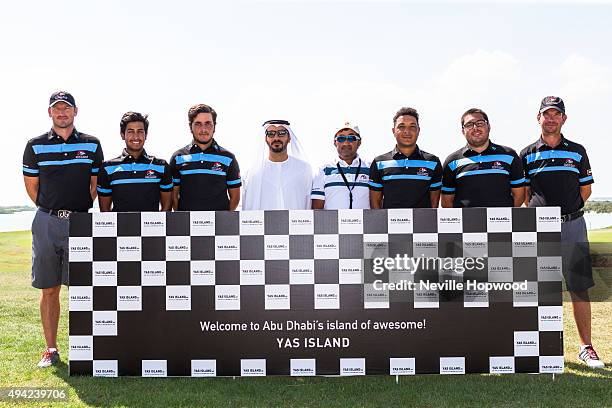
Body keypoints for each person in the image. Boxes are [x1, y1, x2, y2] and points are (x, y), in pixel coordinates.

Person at [520, 96, 604, 368]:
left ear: (564, 119)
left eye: (557, 114)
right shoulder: (527, 154)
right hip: (540, 228)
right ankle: (543, 348)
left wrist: (566, 214)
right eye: (547, 114)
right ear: (539, 117)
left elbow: (585, 190)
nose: (551, 119)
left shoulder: (577, 151)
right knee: (543, 289)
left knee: (579, 287)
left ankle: (586, 347)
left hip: (573, 225)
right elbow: (524, 194)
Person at [22, 91, 103, 367]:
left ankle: (86, 350)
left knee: (83, 289)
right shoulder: (35, 145)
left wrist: (76, 212)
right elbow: (32, 188)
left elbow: (94, 185)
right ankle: (51, 349)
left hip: (80, 222)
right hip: (47, 221)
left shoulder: (92, 145)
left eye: (66, 108)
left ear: (75, 111)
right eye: (56, 109)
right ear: (50, 113)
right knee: (49, 289)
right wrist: (55, 211)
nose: (61, 113)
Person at [441, 108, 526, 208]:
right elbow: (447, 203)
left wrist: (503, 217)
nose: (475, 128)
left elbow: (519, 196)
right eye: (469, 125)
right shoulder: (452, 161)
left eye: (480, 123)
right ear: (463, 131)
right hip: (467, 223)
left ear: (489, 127)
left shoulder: (509, 155)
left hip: (502, 222)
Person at [170, 104, 241, 211]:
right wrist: (181, 220)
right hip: (186, 225)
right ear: (190, 127)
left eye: (208, 124)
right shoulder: (178, 157)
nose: (203, 129)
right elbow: (174, 197)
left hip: (219, 225)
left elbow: (235, 197)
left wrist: (223, 220)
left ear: (214, 127)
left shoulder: (228, 158)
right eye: (198, 124)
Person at [97, 112, 172, 212]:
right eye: (131, 131)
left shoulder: (161, 166)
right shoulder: (107, 168)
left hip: (152, 227)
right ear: (122, 135)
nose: (136, 136)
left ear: (146, 135)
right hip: (121, 227)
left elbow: (166, 209)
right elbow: (105, 211)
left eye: (140, 131)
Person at [369, 107, 442, 209]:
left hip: (422, 223)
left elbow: (434, 203)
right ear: (393, 131)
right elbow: (375, 203)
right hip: (390, 224)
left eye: (412, 127)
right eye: (401, 126)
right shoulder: (379, 163)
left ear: (418, 130)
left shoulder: (433, 162)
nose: (407, 131)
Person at [242, 120, 312, 210]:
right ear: (265, 138)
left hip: (295, 223)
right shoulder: (252, 172)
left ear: (289, 137)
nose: (276, 138)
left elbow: (308, 204)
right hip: (264, 224)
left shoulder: (304, 169)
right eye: (271, 134)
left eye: (281, 133)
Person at [311, 121, 370, 209]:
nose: (346, 143)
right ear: (335, 142)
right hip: (331, 223)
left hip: (366, 223)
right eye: (341, 138)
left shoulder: (371, 168)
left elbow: (377, 202)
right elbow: (317, 209)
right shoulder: (323, 170)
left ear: (359, 142)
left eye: (351, 138)